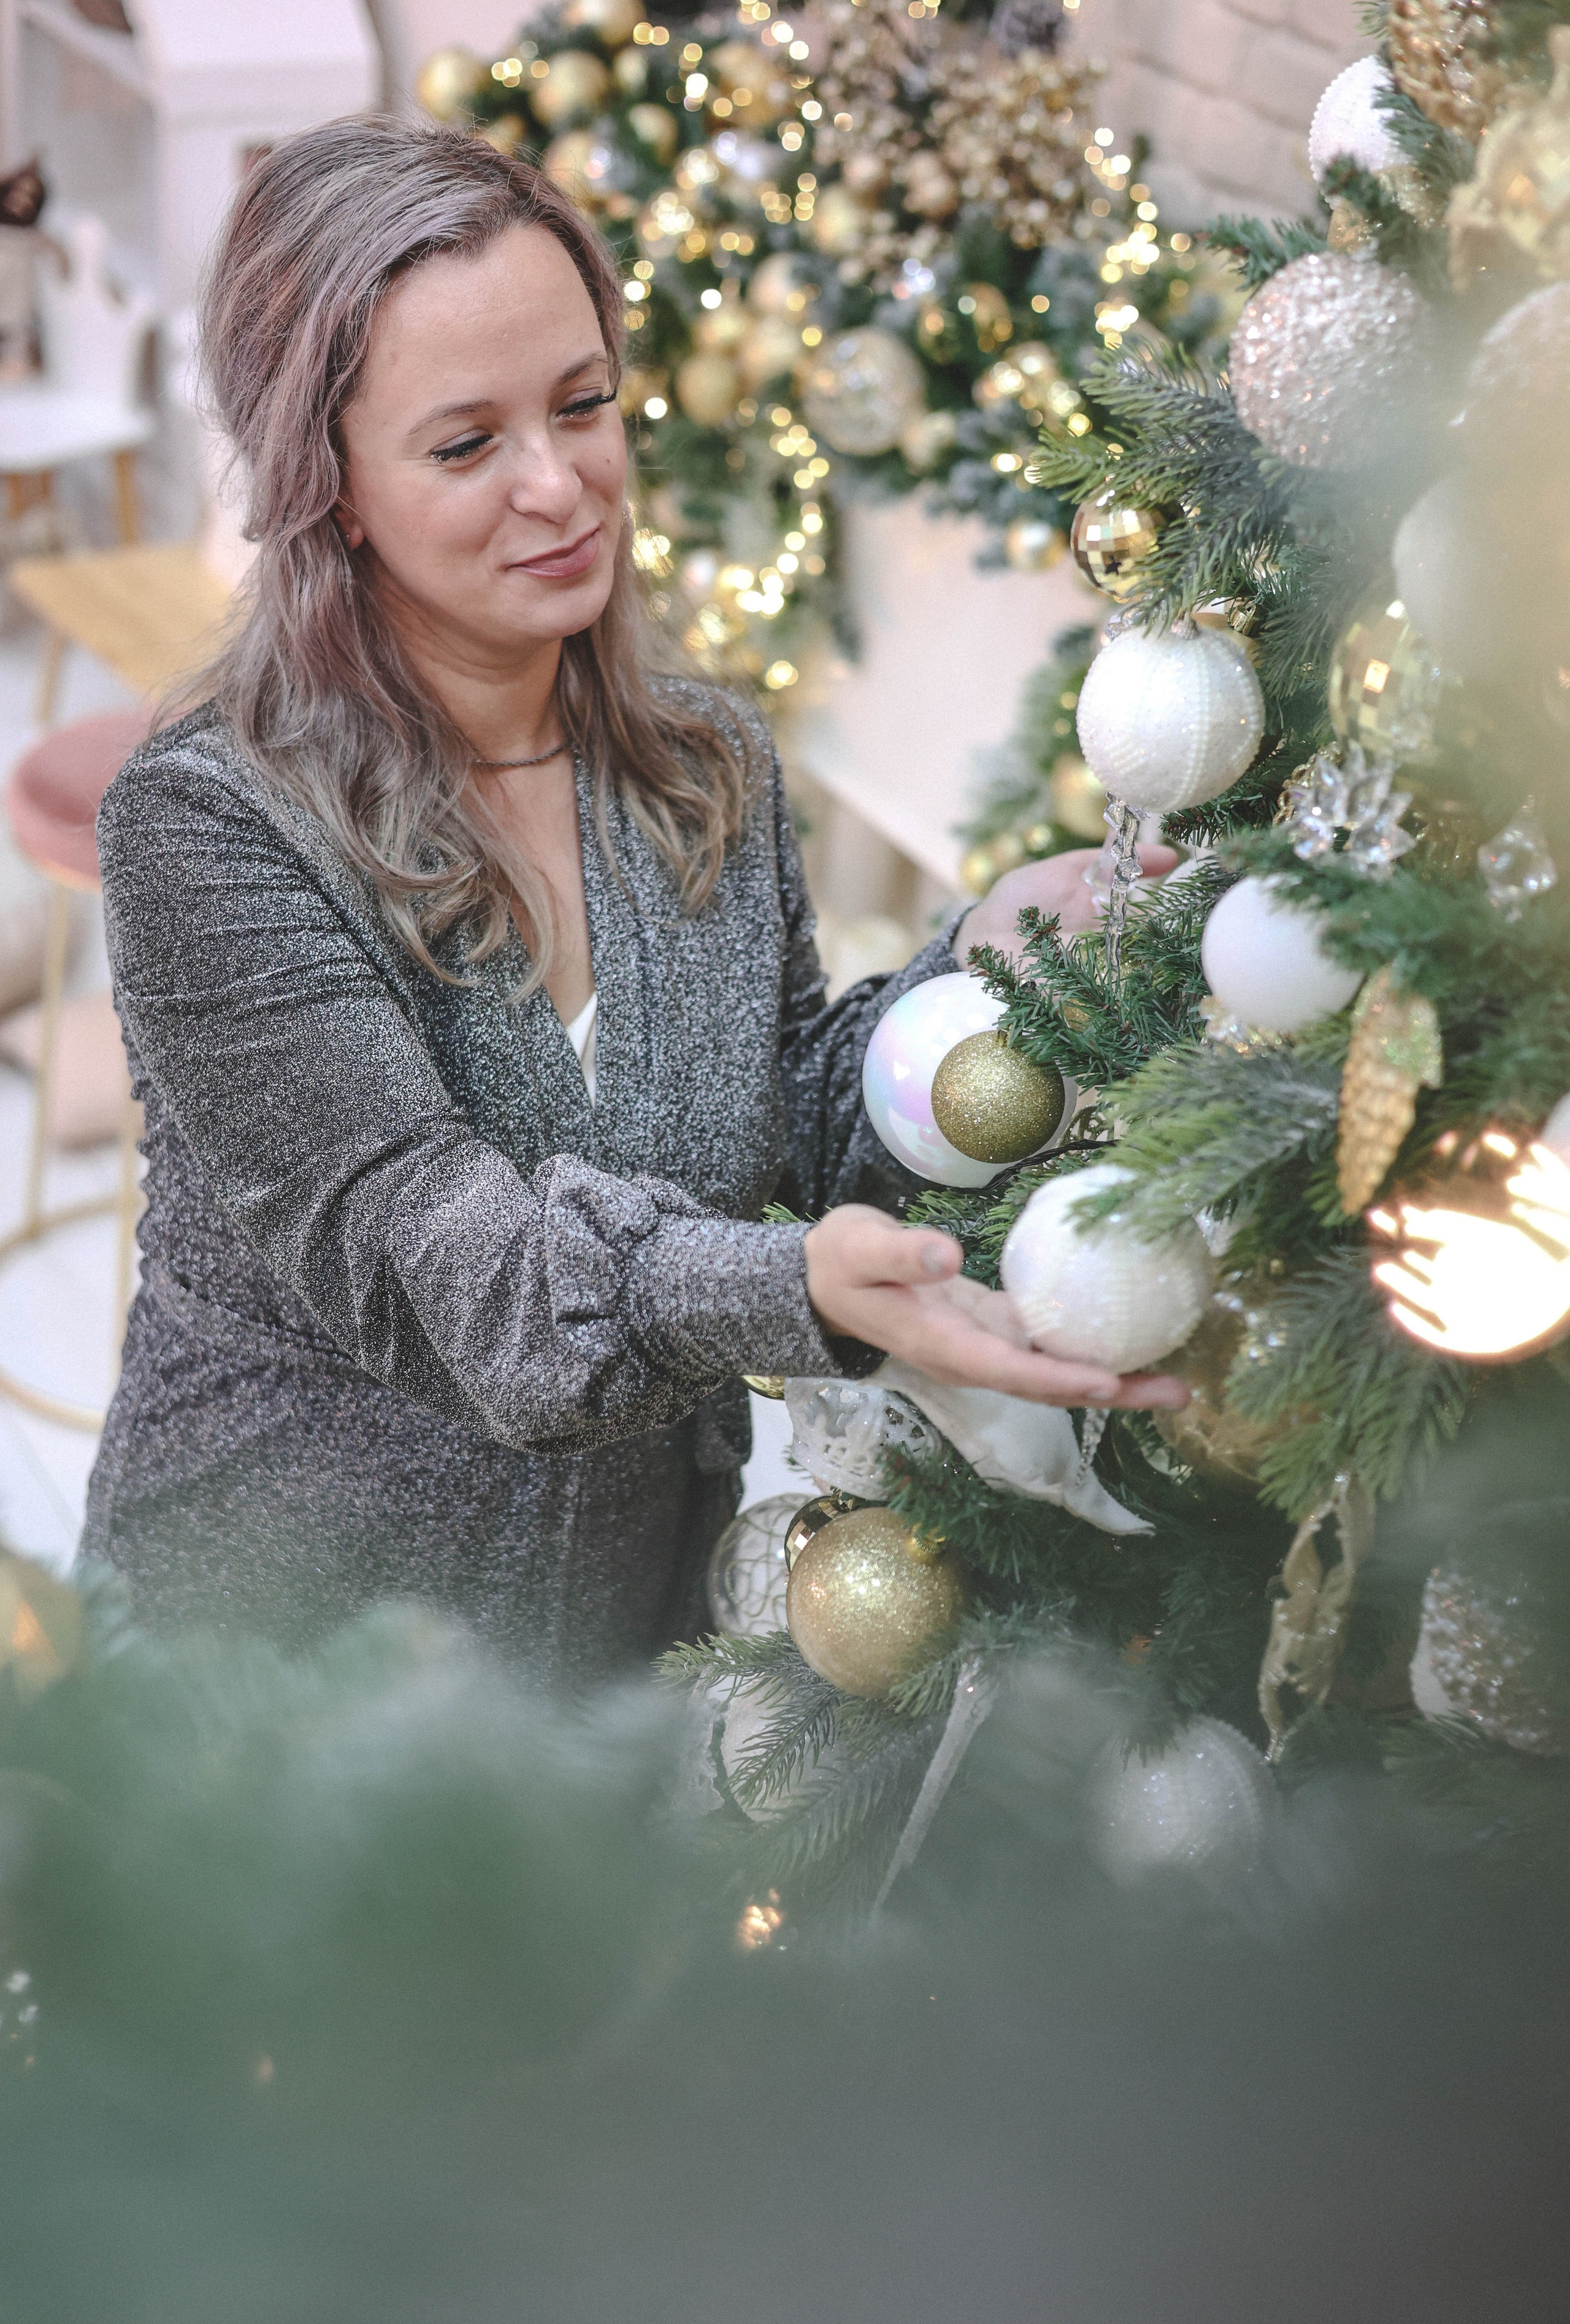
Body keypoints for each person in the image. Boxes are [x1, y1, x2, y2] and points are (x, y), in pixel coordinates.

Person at [85, 120, 1185, 1676]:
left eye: (583, 404)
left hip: (609, 1645)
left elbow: (777, 1122)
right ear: (327, 484)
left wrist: (974, 973)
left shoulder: (701, 762)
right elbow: (462, 1279)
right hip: (278, 1670)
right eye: (465, 446)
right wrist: (803, 1291)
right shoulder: (212, 831)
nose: (560, 486)